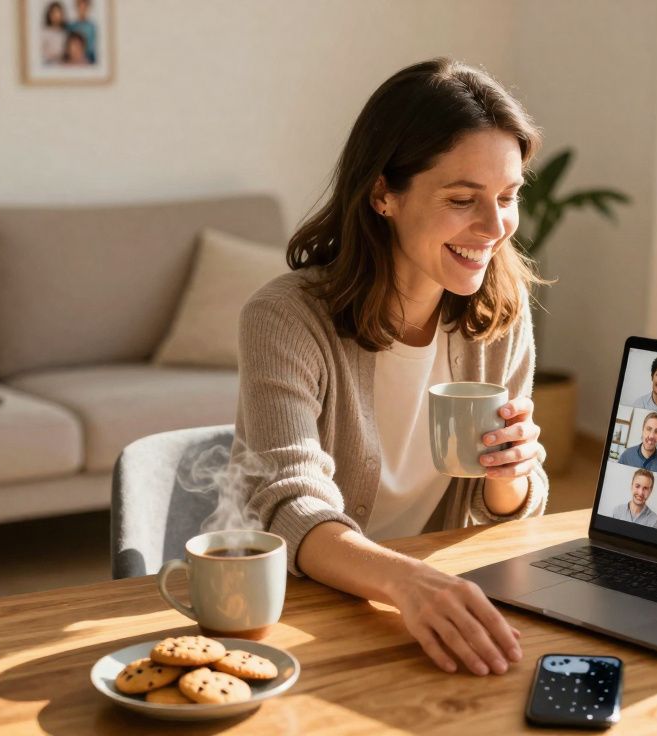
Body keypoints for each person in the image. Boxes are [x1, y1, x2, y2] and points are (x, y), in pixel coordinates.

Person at [233, 58, 549, 678]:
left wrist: (510, 474)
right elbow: (289, 508)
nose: (494, 228)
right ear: (384, 194)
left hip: (436, 603)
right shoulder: (286, 319)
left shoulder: (499, 313)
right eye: (463, 199)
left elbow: (506, 513)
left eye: (507, 198)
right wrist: (410, 583)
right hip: (306, 610)